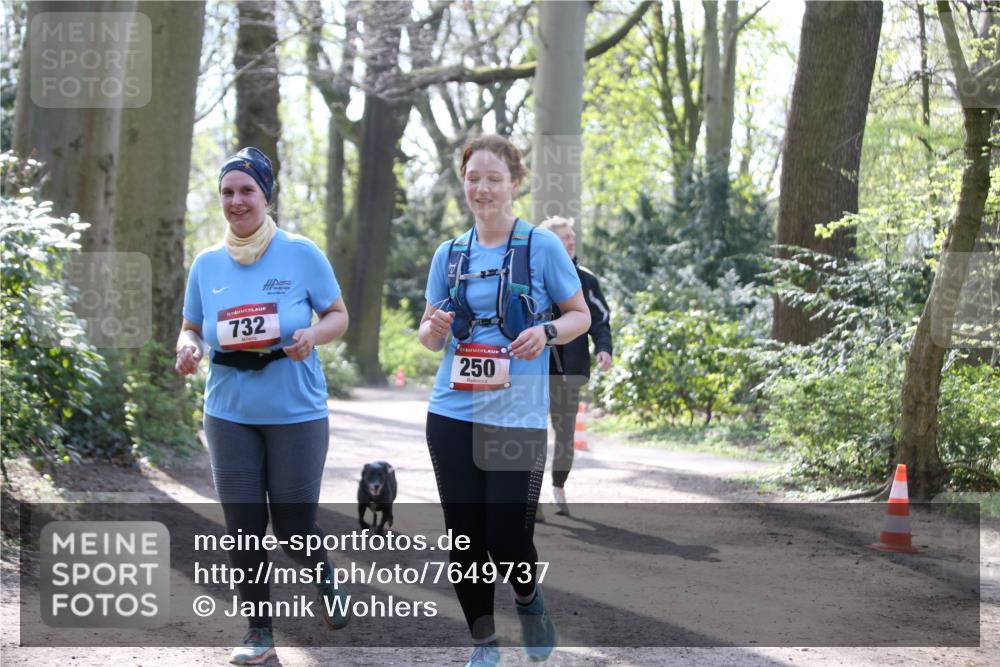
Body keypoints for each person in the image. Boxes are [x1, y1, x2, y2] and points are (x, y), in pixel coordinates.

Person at [418, 134, 591, 667]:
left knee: (507, 538)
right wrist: (435, 325)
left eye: (493, 178)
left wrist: (547, 333)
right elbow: (427, 336)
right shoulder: (449, 254)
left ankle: (527, 597)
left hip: (517, 417)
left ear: (515, 183)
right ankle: (484, 645)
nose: (482, 188)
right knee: (465, 540)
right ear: (463, 183)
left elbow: (578, 314)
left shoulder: (541, 246)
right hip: (452, 412)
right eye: (473, 178)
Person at [175, 147, 350, 665]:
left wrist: (312, 335)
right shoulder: (207, 263)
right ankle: (258, 631)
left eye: (246, 190)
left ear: (265, 195)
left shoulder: (301, 253)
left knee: (294, 527)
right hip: (229, 412)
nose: (236, 201)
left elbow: (338, 315)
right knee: (244, 526)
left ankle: (319, 565)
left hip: (296, 412)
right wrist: (187, 346)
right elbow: (191, 324)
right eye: (227, 192)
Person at [538, 216, 613, 517]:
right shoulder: (534, 277)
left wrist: (604, 349)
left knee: (565, 435)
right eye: (565, 237)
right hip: (535, 368)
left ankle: (558, 486)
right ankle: (530, 497)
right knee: (530, 432)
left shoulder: (586, 279)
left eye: (572, 236)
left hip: (570, 370)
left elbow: (600, 320)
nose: (572, 241)